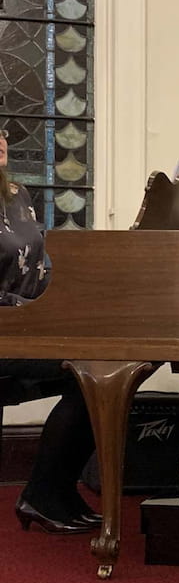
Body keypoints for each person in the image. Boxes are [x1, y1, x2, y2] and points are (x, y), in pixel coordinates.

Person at [0, 128, 100, 534]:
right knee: (88, 370)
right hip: (7, 328)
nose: (1, 137)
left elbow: (39, 266)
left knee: (101, 369)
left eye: (2, 130)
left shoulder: (15, 194)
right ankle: (44, 493)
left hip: (23, 325)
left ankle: (53, 490)